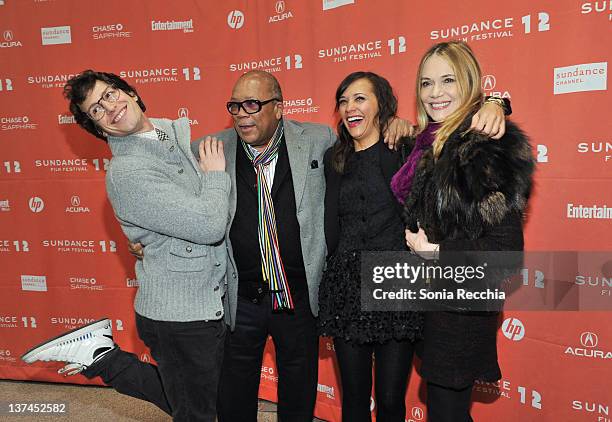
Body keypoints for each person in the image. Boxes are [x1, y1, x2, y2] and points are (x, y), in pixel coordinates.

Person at [21, 70, 230, 422]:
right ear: (99, 129)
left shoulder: (168, 136)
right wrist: (214, 176)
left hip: (201, 298)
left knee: (194, 399)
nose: (109, 106)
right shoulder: (128, 173)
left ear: (130, 92)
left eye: (110, 94)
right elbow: (208, 225)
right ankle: (106, 359)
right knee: (198, 412)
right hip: (179, 315)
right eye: (96, 111)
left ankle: (102, 356)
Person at [398, 41, 534, 422]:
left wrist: (436, 254)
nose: (435, 93)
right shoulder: (434, 143)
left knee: (447, 410)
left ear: (470, 83)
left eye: (447, 80)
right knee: (447, 408)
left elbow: (505, 253)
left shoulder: (484, 151)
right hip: (435, 303)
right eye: (426, 83)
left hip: (461, 308)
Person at [318, 71, 422, 422]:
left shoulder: (402, 150)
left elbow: (439, 144)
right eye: (344, 101)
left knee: (391, 399)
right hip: (346, 284)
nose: (350, 108)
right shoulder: (334, 160)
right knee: (355, 401)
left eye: (360, 98)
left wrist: (406, 127)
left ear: (382, 105)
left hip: (395, 278)